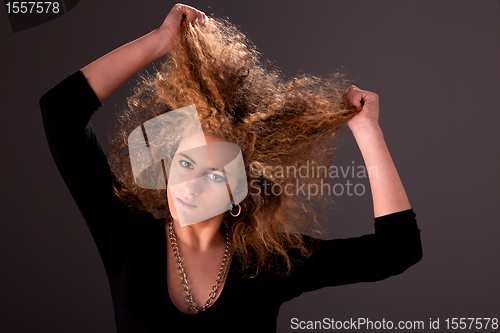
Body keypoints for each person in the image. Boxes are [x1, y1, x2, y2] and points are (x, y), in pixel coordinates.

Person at [40, 3, 422, 332]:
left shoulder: (269, 264)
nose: (189, 185)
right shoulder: (126, 235)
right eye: (185, 163)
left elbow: (397, 249)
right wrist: (161, 41)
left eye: (214, 175)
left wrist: (367, 131)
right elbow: (60, 112)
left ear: (239, 190)